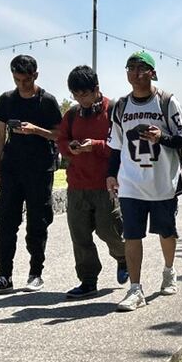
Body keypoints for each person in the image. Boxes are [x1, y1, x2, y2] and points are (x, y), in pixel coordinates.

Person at [107, 51, 182, 311]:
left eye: (142, 68)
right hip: (132, 182)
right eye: (131, 68)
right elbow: (114, 145)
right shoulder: (121, 106)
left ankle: (169, 270)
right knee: (131, 235)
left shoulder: (166, 101)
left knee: (166, 232)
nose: (136, 73)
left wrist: (161, 137)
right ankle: (135, 289)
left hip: (163, 182)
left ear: (153, 73)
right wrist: (110, 174)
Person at [0, 55, 63, 296]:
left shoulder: (47, 101)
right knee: (5, 224)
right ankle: (4, 276)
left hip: (39, 170)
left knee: (37, 224)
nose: (22, 85)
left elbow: (58, 134)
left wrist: (36, 130)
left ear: (36, 75)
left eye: (26, 80)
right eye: (17, 80)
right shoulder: (7, 99)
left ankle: (35, 273)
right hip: (12, 170)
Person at [55, 65, 127, 299]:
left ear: (96, 89)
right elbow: (62, 140)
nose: (79, 99)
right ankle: (88, 281)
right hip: (77, 185)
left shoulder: (114, 110)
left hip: (105, 184)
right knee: (80, 235)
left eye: (83, 94)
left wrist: (95, 145)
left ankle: (123, 256)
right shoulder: (73, 114)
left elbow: (121, 146)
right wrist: (71, 149)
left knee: (109, 230)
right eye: (75, 95)